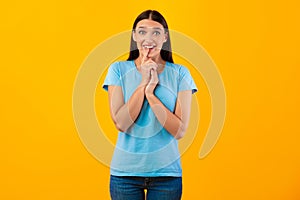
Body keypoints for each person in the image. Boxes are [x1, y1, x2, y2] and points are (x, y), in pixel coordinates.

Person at [102, 10, 197, 200]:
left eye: (156, 32)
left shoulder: (180, 74)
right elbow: (121, 123)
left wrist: (151, 95)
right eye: (143, 31)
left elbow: (179, 130)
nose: (149, 38)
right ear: (134, 36)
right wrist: (143, 83)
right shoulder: (118, 70)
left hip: (167, 176)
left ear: (165, 37)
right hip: (125, 175)